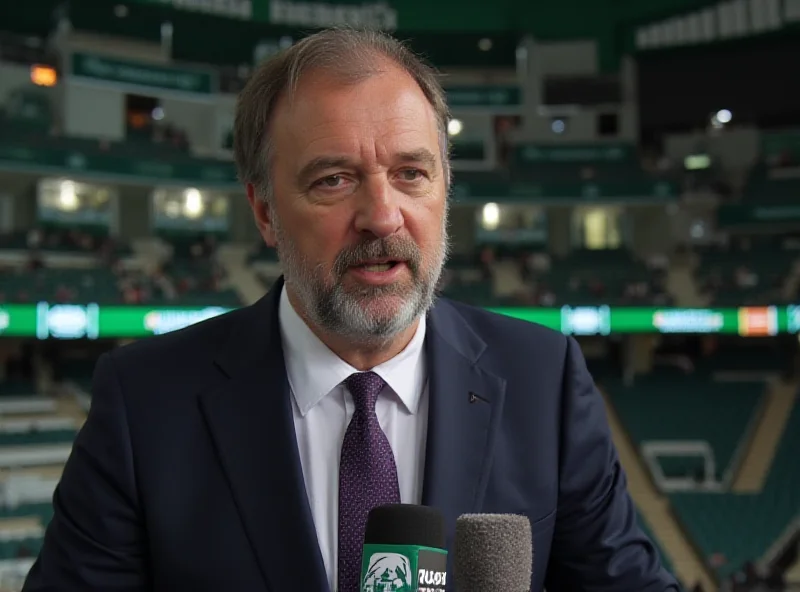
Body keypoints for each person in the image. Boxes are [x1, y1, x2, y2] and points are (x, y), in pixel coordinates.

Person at [23, 28, 679, 592]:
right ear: (264, 212)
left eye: (411, 174)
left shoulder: (546, 380)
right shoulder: (144, 403)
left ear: (445, 192)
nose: (382, 216)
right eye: (333, 179)